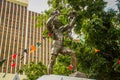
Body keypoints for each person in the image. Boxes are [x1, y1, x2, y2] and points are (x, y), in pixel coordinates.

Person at [46, 10, 77, 74]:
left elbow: (70, 25)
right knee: (52, 62)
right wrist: (54, 15)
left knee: (72, 53)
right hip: (55, 47)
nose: (58, 23)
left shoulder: (61, 29)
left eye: (59, 22)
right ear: (54, 23)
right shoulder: (52, 30)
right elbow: (48, 23)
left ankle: (74, 70)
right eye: (57, 22)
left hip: (62, 47)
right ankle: (49, 76)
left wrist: (74, 17)